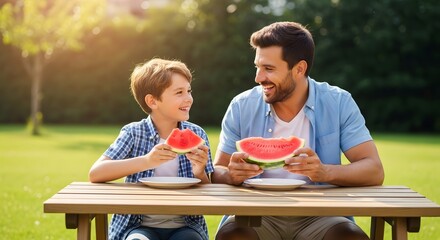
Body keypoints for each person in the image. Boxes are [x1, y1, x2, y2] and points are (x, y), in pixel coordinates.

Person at [212, 21, 384, 240]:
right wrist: (231, 175)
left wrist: (325, 172)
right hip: (255, 213)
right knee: (232, 237)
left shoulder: (338, 102)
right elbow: (217, 169)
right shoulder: (242, 105)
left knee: (350, 237)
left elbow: (374, 170)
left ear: (299, 69)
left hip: (322, 213)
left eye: (269, 69)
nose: (258, 77)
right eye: (257, 67)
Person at [89, 58, 214, 240]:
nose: (188, 98)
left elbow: (208, 191)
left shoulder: (197, 134)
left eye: (189, 91)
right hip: (137, 225)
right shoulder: (133, 132)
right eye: (179, 92)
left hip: (185, 226)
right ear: (152, 101)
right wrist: (147, 161)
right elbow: (96, 173)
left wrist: (200, 172)